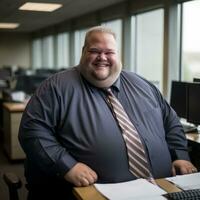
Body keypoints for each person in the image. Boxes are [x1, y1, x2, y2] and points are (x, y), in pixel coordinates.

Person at [19, 26, 197, 200]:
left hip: (160, 188)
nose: (102, 57)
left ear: (117, 54)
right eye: (95, 50)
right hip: (89, 193)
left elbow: (170, 121)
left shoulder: (143, 85)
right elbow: (33, 130)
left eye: (109, 52)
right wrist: (67, 166)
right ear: (83, 52)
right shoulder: (56, 87)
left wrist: (179, 155)